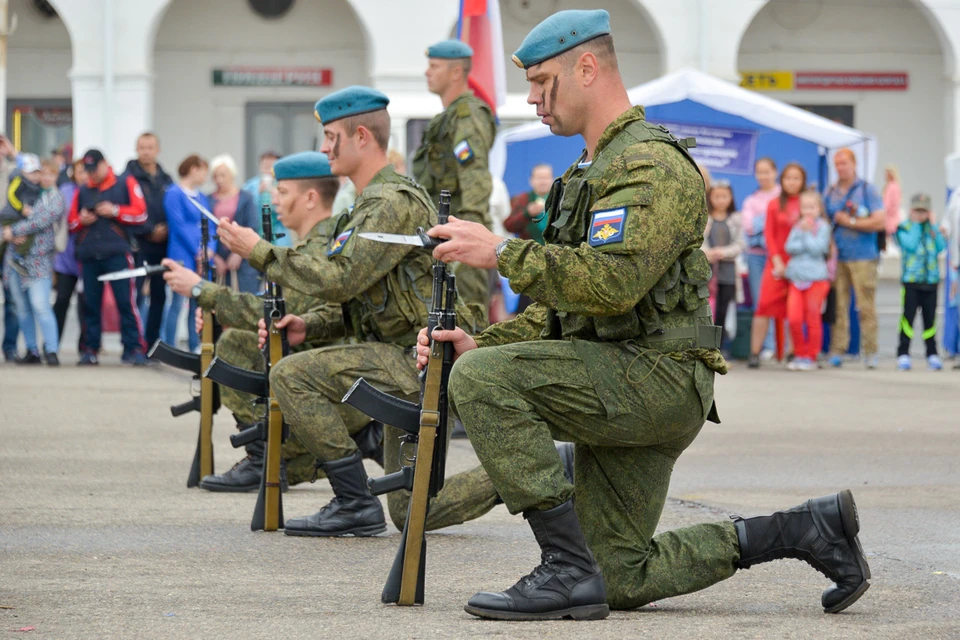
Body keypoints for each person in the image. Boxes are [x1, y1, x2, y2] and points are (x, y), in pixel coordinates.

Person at [418, 10, 870, 621]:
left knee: (481, 385)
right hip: (622, 371)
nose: (531, 98)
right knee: (621, 576)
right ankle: (806, 530)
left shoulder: (650, 166)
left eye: (542, 81)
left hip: (654, 376)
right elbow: (562, 310)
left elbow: (611, 284)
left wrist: (499, 252)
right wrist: (482, 343)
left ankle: (564, 567)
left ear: (586, 68)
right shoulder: (587, 173)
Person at [220, 87, 500, 538]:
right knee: (412, 514)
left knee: (292, 375)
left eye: (331, 137)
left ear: (362, 136)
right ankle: (548, 467)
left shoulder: (389, 203)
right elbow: (359, 297)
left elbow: (339, 278)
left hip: (420, 356)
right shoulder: (369, 205)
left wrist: (260, 252)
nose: (324, 147)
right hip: (407, 356)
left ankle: (353, 501)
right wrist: (307, 324)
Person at [162, 151, 366, 492]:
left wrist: (202, 290)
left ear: (311, 198)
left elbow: (279, 310)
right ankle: (269, 456)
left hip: (331, 378)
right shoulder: (311, 243)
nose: (273, 199)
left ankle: (265, 459)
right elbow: (278, 311)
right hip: (319, 364)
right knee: (236, 341)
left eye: (282, 192)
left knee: (231, 350)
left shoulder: (321, 248)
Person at [413, 39, 497, 329]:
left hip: (461, 236)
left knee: (467, 326)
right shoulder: (446, 118)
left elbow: (474, 175)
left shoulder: (467, 115)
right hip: (447, 236)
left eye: (434, 66)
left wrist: (470, 236)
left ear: (456, 72)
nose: (427, 72)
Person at [67, 149, 148, 366]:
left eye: (94, 169)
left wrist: (115, 211)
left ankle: (134, 348)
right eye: (88, 170)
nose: (92, 175)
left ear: (105, 164)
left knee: (126, 303)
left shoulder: (125, 183)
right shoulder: (83, 190)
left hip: (117, 254)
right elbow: (71, 223)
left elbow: (141, 213)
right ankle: (90, 349)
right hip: (90, 255)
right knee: (90, 305)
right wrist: (82, 220)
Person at [824, 148, 885, 369]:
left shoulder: (867, 190)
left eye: (844, 163)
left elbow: (880, 222)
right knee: (839, 306)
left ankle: (870, 351)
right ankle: (838, 349)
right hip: (839, 257)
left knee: (865, 306)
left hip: (864, 257)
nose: (841, 168)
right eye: (837, 164)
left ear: (854, 164)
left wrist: (850, 222)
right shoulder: (830, 192)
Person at [2, 158, 63, 365]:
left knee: (41, 305)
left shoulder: (55, 198)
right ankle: (32, 350)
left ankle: (51, 349)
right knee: (22, 308)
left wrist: (14, 231)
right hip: (16, 260)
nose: (43, 177)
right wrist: (7, 233)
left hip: (39, 262)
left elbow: (41, 220)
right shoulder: (26, 193)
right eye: (40, 173)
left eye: (48, 174)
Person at [748, 163, 805, 368]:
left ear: (802, 181)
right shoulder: (773, 204)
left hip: (799, 264)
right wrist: (777, 260)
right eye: (788, 178)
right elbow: (769, 235)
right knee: (763, 306)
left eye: (796, 178)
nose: (792, 182)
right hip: (776, 263)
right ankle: (755, 352)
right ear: (782, 180)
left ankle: (792, 352)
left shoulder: (806, 202)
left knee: (794, 310)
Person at [125, 132, 174, 348]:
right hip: (138, 245)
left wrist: (166, 229)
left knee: (159, 296)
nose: (146, 152)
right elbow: (126, 211)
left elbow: (174, 209)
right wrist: (148, 230)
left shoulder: (166, 179)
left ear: (158, 149)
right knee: (134, 296)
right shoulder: (127, 178)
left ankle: (152, 344)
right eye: (142, 147)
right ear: (136, 149)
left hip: (162, 247)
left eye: (150, 147)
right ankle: (133, 344)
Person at [161, 155, 211, 353]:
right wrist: (197, 251)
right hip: (182, 254)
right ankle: (170, 345)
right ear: (193, 169)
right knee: (177, 302)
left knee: (196, 301)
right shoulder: (174, 193)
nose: (205, 176)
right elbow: (178, 225)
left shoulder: (201, 196)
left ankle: (194, 344)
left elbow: (209, 224)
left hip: (201, 254)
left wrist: (208, 250)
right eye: (203, 171)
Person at [895, 193, 947, 371]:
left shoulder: (933, 229)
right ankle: (903, 353)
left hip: (931, 282)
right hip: (911, 282)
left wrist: (932, 225)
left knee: (930, 320)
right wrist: (916, 225)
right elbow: (909, 245)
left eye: (924, 211)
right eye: (917, 210)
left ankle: (932, 353)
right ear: (911, 210)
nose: (920, 214)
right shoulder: (905, 228)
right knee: (908, 319)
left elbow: (941, 246)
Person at [784, 190, 832, 372]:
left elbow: (817, 248)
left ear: (819, 209)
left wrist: (805, 235)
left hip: (816, 279)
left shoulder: (823, 227)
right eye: (805, 207)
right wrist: (803, 235)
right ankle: (799, 353)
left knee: (812, 318)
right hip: (796, 279)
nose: (808, 211)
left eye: (812, 207)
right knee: (795, 319)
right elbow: (789, 247)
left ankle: (811, 356)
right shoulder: (797, 226)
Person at [740, 157, 779, 358]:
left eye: (767, 171)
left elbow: (779, 223)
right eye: (760, 172)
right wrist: (766, 222)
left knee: (779, 301)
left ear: (775, 172)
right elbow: (748, 225)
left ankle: (779, 347)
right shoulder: (751, 200)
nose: (764, 176)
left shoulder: (782, 195)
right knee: (760, 302)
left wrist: (760, 221)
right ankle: (766, 346)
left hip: (778, 256)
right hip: (756, 256)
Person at [209, 154, 261, 294]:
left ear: (232, 175)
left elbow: (252, 225)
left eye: (223, 175)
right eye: (216, 176)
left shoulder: (246, 198)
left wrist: (238, 253)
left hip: (243, 258)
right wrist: (215, 257)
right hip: (218, 257)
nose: (219, 179)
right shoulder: (208, 199)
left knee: (246, 298)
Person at [702, 180, 743, 349]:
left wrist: (723, 252)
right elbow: (700, 241)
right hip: (707, 272)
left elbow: (740, 244)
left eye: (724, 196)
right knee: (706, 311)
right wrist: (708, 253)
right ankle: (704, 347)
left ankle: (720, 349)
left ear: (731, 198)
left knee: (723, 311)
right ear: (710, 197)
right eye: (717, 196)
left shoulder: (735, 219)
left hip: (727, 273)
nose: (720, 200)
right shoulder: (706, 218)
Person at [53, 159, 87, 353]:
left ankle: (85, 348)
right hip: (66, 259)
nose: (82, 175)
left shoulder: (95, 192)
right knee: (62, 301)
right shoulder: (65, 191)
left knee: (86, 306)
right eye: (79, 171)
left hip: (87, 260)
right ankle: (52, 344)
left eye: (85, 171)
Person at [0, 153, 43, 268]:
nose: (34, 176)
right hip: (10, 216)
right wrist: (21, 208)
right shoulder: (19, 179)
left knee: (27, 236)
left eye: (36, 172)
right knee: (5, 239)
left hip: (19, 218)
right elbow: (11, 194)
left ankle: (19, 257)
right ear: (22, 171)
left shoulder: (37, 187)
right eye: (31, 172)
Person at [244, 151, 290, 248]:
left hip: (278, 233)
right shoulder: (250, 185)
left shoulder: (284, 184)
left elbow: (288, 209)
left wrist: (277, 193)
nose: (268, 169)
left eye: (271, 166)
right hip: (257, 232)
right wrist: (258, 193)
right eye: (265, 165)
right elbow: (244, 207)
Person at [504, 163, 553, 244]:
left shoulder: (561, 199)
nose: (543, 182)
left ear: (553, 179)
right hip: (530, 251)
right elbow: (508, 225)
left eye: (546, 178)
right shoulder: (523, 199)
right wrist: (527, 213)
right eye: (539, 178)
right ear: (531, 180)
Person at [883, 165, 902, 245]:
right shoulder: (895, 186)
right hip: (893, 219)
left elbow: (887, 203)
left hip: (890, 220)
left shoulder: (891, 187)